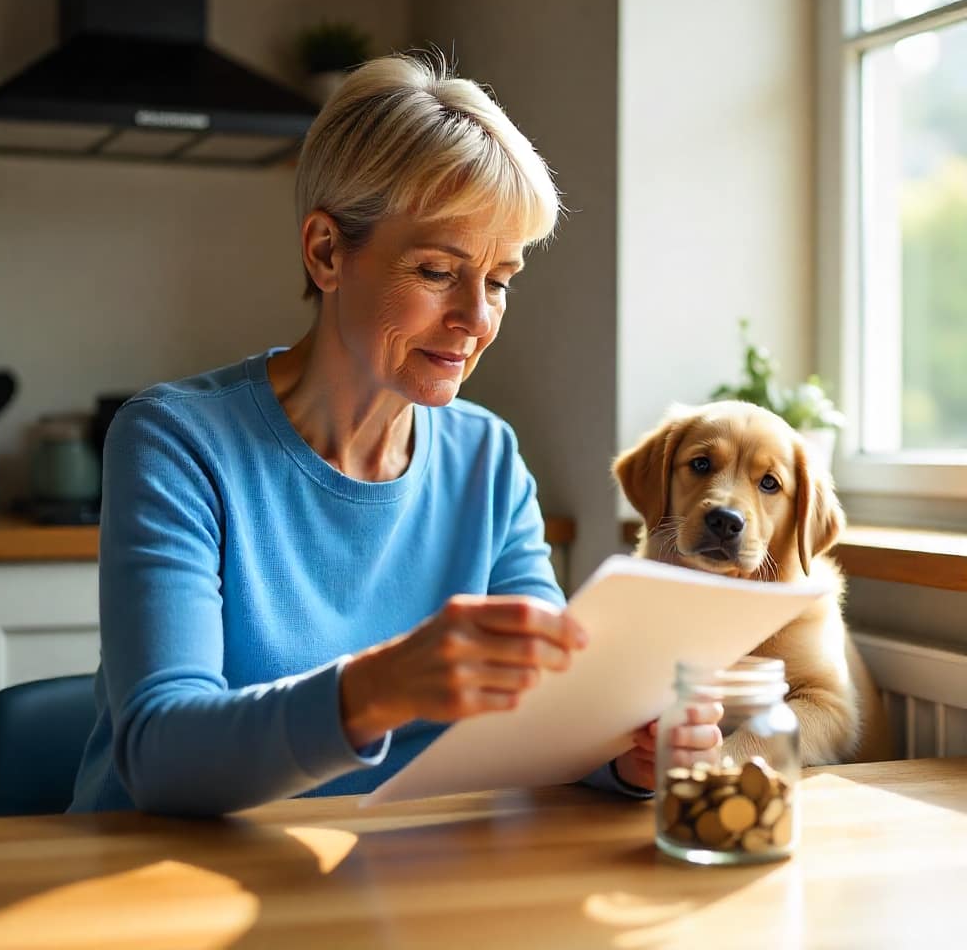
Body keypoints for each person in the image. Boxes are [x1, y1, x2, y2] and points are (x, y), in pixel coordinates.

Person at [69, 53, 721, 815]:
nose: (477, 318)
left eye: (500, 280)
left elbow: (544, 717)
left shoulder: (488, 459)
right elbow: (161, 757)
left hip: (399, 878)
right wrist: (380, 687)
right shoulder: (176, 441)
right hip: (165, 883)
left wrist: (629, 755)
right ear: (326, 252)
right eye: (439, 272)